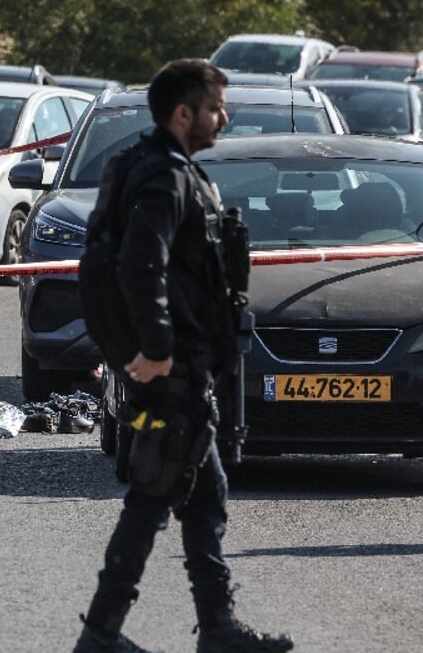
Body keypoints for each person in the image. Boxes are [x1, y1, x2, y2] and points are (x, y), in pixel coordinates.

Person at [73, 60, 293, 653]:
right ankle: (101, 634)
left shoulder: (139, 166)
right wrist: (155, 352)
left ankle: (216, 628)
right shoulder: (164, 179)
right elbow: (136, 267)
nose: (225, 117)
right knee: (153, 496)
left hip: (183, 370)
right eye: (217, 107)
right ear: (183, 113)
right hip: (175, 374)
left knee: (202, 495)